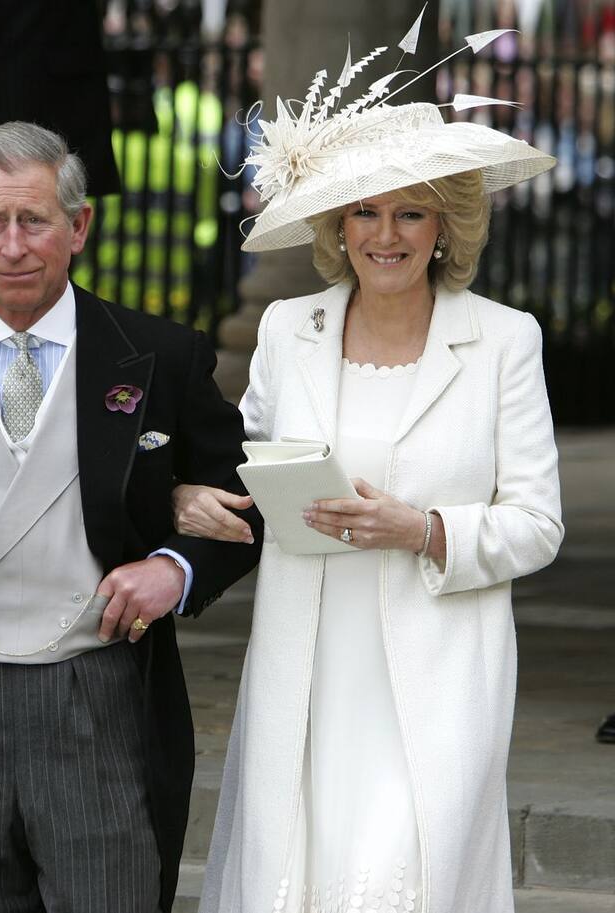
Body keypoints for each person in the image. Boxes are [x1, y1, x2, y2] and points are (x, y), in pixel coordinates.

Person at [171, 40, 564, 913]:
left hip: (438, 672)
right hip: (307, 669)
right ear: (337, 226)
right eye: (366, 212)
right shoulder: (285, 329)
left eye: (411, 215)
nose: (385, 235)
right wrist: (199, 501)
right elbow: (256, 480)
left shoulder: (505, 340)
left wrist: (424, 528)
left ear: (447, 227)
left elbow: (538, 523)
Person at [0, 121, 262, 913]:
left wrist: (173, 569)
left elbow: (253, 501)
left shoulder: (159, 356)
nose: (13, 246)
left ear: (78, 227)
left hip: (99, 696)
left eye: (35, 220)